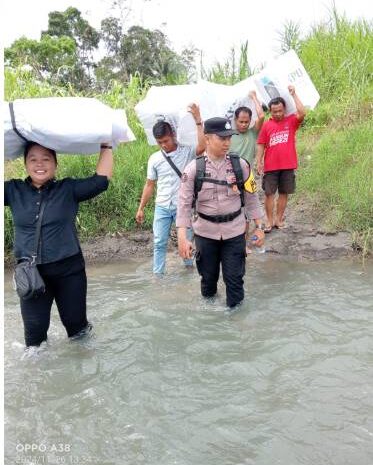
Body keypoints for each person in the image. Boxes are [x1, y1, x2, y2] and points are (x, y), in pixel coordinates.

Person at [4, 141, 113, 348]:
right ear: (25, 164)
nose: (40, 164)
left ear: (56, 164)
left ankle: (82, 371)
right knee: (34, 338)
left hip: (69, 272)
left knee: (77, 328)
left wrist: (106, 146)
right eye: (33, 159)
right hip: (31, 275)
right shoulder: (12, 190)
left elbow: (101, 181)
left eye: (46, 159)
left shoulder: (68, 189)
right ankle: (39, 378)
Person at [176, 117, 264, 309]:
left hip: (235, 232)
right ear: (207, 138)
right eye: (221, 138)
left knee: (235, 280)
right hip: (205, 234)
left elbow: (252, 197)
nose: (227, 142)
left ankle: (235, 323)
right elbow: (183, 205)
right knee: (208, 280)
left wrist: (259, 227)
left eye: (229, 138)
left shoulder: (241, 166)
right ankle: (210, 323)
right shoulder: (193, 170)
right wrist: (182, 237)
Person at [135, 104, 205, 275]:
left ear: (173, 135)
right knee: (159, 242)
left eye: (166, 141)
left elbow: (202, 146)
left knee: (186, 240)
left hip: (183, 205)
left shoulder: (187, 151)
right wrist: (141, 208)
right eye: (160, 142)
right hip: (162, 206)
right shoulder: (154, 159)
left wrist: (198, 120)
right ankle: (158, 275)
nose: (163, 145)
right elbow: (149, 184)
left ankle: (189, 269)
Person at [256, 85, 306, 232]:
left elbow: (302, 112)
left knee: (284, 193)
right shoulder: (266, 125)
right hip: (270, 166)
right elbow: (261, 144)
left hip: (288, 165)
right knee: (269, 193)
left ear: (284, 109)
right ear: (270, 111)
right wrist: (258, 161)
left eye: (280, 110)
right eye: (274, 111)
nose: (278, 113)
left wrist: (294, 94)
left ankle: (279, 219)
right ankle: (269, 221)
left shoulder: (291, 121)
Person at [230, 90, 265, 166]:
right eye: (241, 122)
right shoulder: (228, 135)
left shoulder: (252, 132)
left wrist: (254, 97)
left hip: (248, 173)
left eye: (246, 122)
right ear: (235, 120)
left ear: (250, 121)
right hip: (231, 173)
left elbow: (261, 116)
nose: (244, 125)